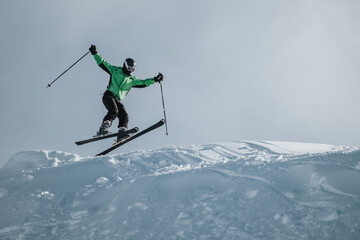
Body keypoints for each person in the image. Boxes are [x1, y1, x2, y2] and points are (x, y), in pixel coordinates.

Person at [89, 45, 164, 137]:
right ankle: (103, 128)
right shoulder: (115, 70)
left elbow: (144, 83)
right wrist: (95, 53)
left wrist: (155, 79)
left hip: (117, 99)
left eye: (132, 70)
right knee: (114, 111)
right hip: (108, 95)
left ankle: (122, 133)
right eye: (129, 69)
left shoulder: (132, 80)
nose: (130, 71)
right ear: (125, 66)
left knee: (124, 115)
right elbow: (102, 62)